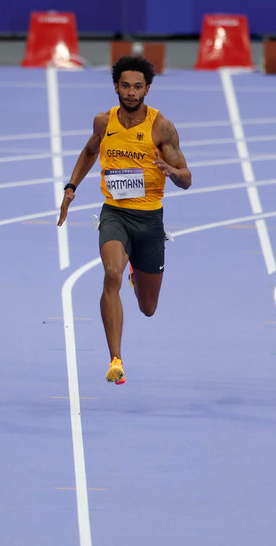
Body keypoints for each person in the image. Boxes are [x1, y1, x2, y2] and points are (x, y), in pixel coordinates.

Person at [57, 55, 191, 386]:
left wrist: (171, 171)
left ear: (147, 89)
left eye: (138, 87)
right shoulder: (104, 122)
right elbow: (90, 152)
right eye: (125, 86)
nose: (131, 92)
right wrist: (71, 187)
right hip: (114, 213)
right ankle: (115, 359)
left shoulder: (161, 127)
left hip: (149, 221)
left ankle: (137, 273)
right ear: (116, 87)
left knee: (147, 307)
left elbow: (187, 177)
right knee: (110, 275)